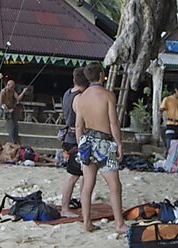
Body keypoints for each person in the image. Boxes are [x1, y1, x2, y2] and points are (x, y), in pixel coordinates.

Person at [73, 62, 126, 234]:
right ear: (102, 75)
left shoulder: (81, 98)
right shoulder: (108, 95)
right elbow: (113, 123)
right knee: (114, 185)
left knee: (87, 185)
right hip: (104, 143)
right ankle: (119, 224)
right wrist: (119, 143)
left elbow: (78, 126)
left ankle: (86, 222)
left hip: (87, 141)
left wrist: (81, 145)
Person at [60, 67, 88, 216]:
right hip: (75, 140)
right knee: (73, 175)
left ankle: (84, 203)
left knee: (84, 173)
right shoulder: (79, 98)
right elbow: (79, 124)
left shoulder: (68, 93)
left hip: (70, 138)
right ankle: (65, 208)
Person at [0, 79, 27, 145]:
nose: (12, 88)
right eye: (11, 87)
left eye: (13, 87)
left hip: (11, 110)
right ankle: (11, 142)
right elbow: (0, 103)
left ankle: (16, 141)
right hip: (5, 110)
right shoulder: (3, 91)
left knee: (16, 126)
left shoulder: (12, 91)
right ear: (8, 85)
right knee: (11, 127)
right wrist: (7, 110)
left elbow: (18, 99)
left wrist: (23, 92)